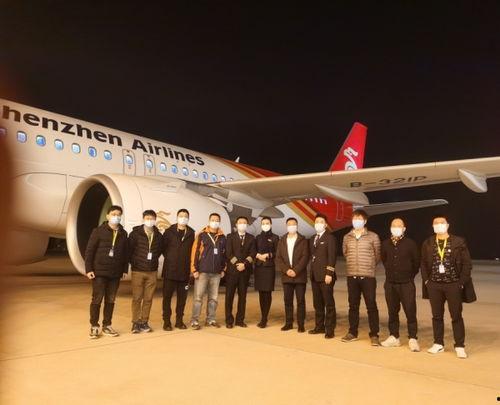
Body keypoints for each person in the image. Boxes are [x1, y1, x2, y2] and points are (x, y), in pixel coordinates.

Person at [421, 215, 475, 359]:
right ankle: (438, 343)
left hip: (453, 285)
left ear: (448, 225)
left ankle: (459, 345)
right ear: (432, 226)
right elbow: (423, 264)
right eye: (436, 223)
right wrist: (427, 281)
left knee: (456, 315)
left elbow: (467, 264)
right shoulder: (428, 243)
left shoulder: (458, 242)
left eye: (442, 222)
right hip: (434, 285)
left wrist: (461, 282)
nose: (439, 225)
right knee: (437, 316)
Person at [85, 205, 128, 339]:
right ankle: (94, 326)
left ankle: (107, 325)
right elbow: (90, 251)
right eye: (114, 214)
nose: (116, 217)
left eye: (119, 215)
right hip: (99, 272)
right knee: (97, 299)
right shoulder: (98, 231)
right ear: (108, 216)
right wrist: (89, 269)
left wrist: (124, 269)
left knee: (111, 300)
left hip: (115, 273)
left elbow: (125, 254)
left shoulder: (123, 233)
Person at [341, 209, 381, 346]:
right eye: (354, 218)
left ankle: (374, 334)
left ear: (365, 221)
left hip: (368, 276)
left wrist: (368, 266)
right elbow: (345, 253)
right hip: (352, 276)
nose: (356, 221)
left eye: (359, 218)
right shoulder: (347, 237)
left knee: (371, 306)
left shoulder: (373, 236)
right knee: (353, 306)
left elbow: (377, 255)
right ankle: (352, 332)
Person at [380, 218, 420, 351]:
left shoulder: (410, 244)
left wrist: (409, 275)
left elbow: (416, 262)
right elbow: (384, 260)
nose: (396, 228)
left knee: (410, 311)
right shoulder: (385, 244)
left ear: (404, 228)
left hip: (406, 283)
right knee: (392, 311)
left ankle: (413, 338)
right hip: (390, 283)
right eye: (393, 225)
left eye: (399, 225)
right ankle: (394, 336)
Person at [128, 210, 163, 333]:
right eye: (147, 218)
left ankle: (144, 322)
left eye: (152, 218)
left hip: (152, 271)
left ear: (155, 220)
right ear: (143, 219)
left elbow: (159, 251)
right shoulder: (135, 234)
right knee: (137, 298)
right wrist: (135, 263)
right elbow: (129, 250)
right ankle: (135, 323)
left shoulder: (158, 235)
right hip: (138, 271)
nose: (150, 220)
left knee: (148, 299)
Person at [190, 213, 226, 329]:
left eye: (217, 220)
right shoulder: (202, 235)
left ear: (219, 222)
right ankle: (194, 320)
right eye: (213, 220)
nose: (215, 222)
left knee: (213, 298)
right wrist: (194, 269)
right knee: (198, 298)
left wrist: (223, 269)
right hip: (202, 272)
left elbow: (224, 255)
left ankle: (211, 319)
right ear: (209, 221)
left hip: (216, 273)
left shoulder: (222, 237)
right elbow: (195, 252)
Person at [162, 209, 195, 331]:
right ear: (177, 217)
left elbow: (192, 251)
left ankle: (179, 321)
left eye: (185, 216)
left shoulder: (191, 233)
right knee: (167, 298)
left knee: (182, 299)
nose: (183, 218)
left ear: (188, 219)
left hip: (184, 272)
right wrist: (171, 258)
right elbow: (163, 248)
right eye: (181, 216)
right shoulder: (169, 231)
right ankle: (166, 322)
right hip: (169, 271)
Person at [275, 217, 309, 333]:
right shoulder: (282, 240)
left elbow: (305, 257)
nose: (291, 226)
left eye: (293, 224)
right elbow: (278, 258)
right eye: (289, 224)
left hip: (300, 276)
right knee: (287, 301)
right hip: (286, 276)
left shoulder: (303, 240)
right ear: (286, 226)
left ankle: (301, 324)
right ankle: (288, 323)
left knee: (300, 301)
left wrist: (296, 270)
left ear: (297, 226)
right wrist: (287, 270)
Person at [308, 214, 337, 339]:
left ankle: (330, 329)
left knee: (328, 304)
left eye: (321, 222)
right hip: (315, 276)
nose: (318, 224)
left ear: (325, 224)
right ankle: (319, 326)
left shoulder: (330, 238)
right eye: (316, 222)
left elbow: (332, 256)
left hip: (326, 276)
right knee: (318, 303)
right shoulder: (312, 238)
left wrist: (329, 273)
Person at [225, 216, 256, 328]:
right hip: (232, 272)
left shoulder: (251, 238)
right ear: (236, 224)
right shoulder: (230, 237)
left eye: (244, 222)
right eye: (240, 222)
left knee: (242, 297)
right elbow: (228, 253)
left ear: (247, 225)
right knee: (229, 296)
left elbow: (252, 253)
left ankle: (240, 320)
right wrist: (237, 264)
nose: (242, 224)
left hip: (244, 272)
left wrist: (244, 264)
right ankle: (229, 320)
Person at [254, 217, 280, 328]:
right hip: (259, 267)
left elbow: (278, 252)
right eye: (263, 223)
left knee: (267, 293)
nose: (265, 225)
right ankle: (263, 316)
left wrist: (268, 255)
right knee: (261, 293)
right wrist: (257, 255)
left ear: (271, 224)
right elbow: (253, 250)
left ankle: (264, 318)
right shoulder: (258, 237)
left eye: (267, 223)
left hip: (269, 268)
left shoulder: (275, 237)